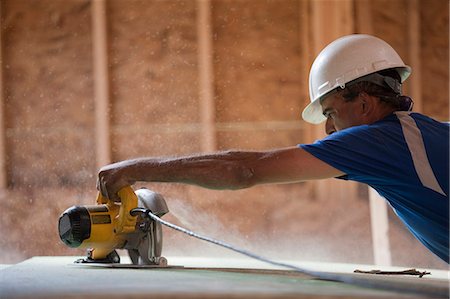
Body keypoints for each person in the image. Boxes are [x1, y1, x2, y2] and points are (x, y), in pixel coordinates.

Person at [97, 34, 449, 263]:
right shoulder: (426, 135)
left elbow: (244, 169)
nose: (328, 128)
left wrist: (133, 169)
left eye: (330, 112)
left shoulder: (376, 142)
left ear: (364, 103)